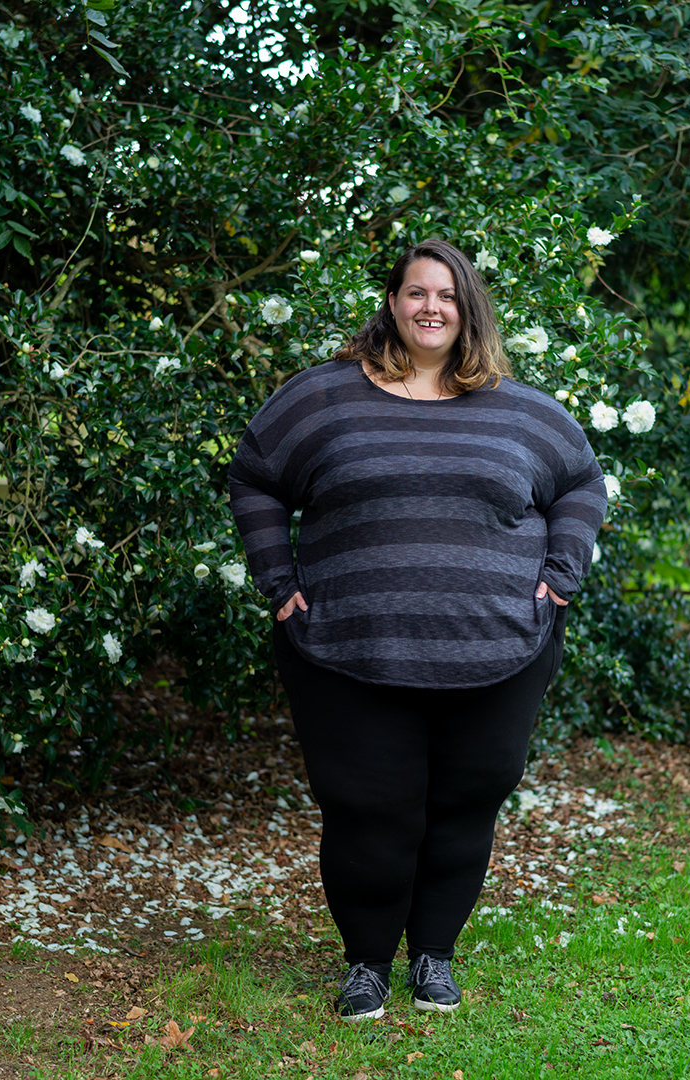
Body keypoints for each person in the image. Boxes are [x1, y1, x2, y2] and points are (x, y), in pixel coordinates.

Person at [228, 239, 606, 1020]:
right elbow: (256, 475)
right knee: (369, 807)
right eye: (415, 293)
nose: (430, 308)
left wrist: (561, 576)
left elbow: (580, 483)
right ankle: (366, 963)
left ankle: (433, 954)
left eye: (447, 295)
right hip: (348, 649)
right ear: (392, 303)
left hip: (498, 648)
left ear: (468, 310)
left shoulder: (521, 409)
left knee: (467, 802)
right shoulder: (322, 398)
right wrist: (278, 581)